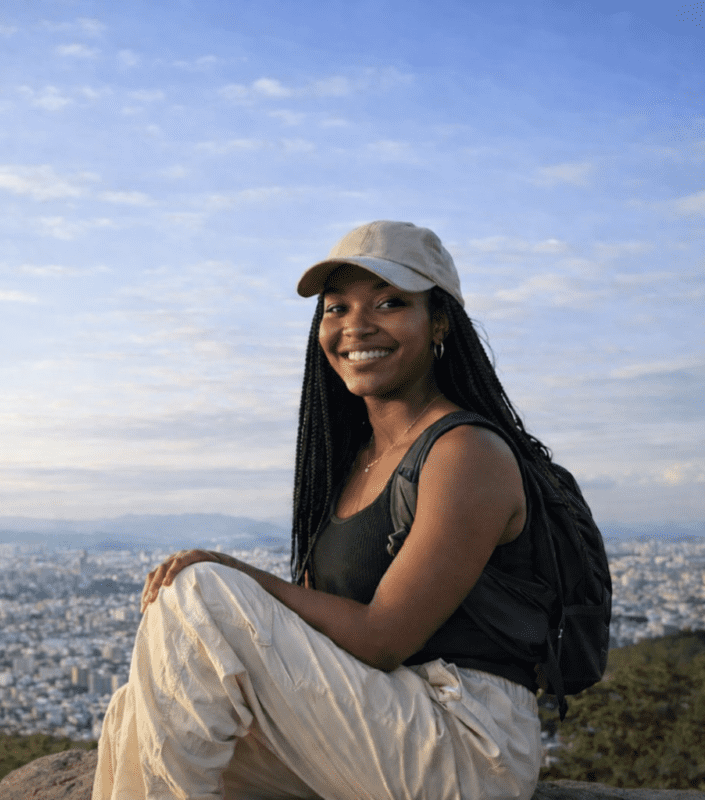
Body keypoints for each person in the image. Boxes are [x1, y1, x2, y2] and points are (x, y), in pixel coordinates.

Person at [92, 221, 558, 800]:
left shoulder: (464, 452)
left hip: (467, 745)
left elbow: (384, 637)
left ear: (439, 322)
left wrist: (232, 575)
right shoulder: (354, 461)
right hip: (388, 721)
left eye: (390, 303)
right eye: (337, 308)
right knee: (138, 705)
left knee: (201, 596)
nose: (356, 326)